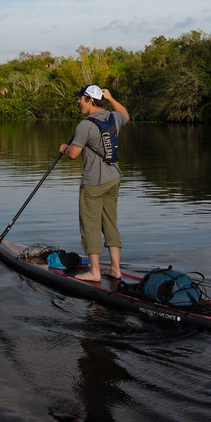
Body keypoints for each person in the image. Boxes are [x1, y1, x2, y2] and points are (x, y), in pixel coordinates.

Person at [59, 84, 130, 281]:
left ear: (90, 100)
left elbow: (73, 154)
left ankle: (94, 272)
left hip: (93, 183)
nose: (78, 101)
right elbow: (126, 114)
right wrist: (111, 98)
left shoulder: (85, 125)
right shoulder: (114, 117)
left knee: (89, 225)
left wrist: (64, 148)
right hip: (114, 179)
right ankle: (115, 269)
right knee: (110, 223)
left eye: (81, 98)